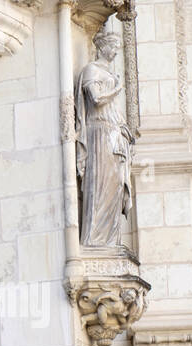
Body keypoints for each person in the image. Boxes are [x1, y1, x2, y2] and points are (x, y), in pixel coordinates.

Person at [75, 27, 133, 248]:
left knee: (115, 186)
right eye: (113, 46)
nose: (116, 51)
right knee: (101, 186)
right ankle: (95, 239)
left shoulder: (110, 74)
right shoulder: (92, 70)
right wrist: (116, 90)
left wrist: (123, 128)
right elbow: (96, 99)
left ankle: (110, 240)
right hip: (98, 132)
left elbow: (113, 109)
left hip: (113, 132)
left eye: (118, 47)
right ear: (101, 46)